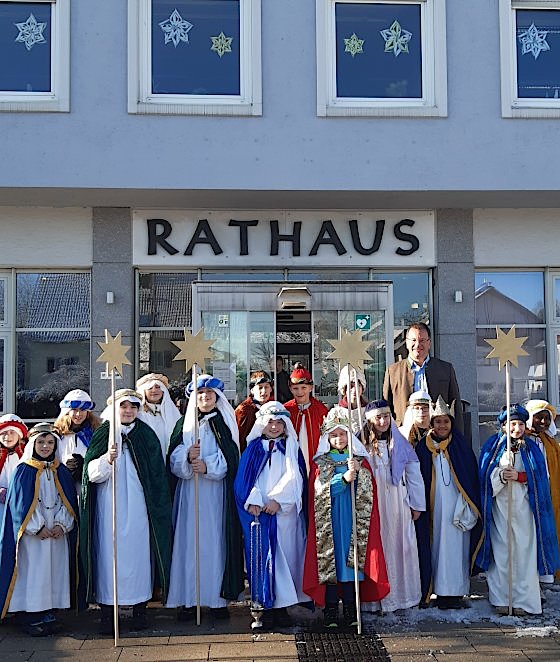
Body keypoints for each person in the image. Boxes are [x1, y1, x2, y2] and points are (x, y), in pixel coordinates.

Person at [80, 389, 172, 634]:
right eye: (124, 406)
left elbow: (155, 475)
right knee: (109, 557)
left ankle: (139, 609)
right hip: (109, 506)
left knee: (139, 555)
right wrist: (106, 460)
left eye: (133, 406)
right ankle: (109, 613)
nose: (128, 411)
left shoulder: (146, 435)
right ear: (115, 408)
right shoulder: (103, 434)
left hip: (140, 506)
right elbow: (91, 475)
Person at [166, 374, 244, 621]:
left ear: (216, 397)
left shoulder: (225, 423)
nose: (205, 397)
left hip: (215, 495)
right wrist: (187, 457)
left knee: (215, 542)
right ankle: (189, 600)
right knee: (189, 543)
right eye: (200, 394)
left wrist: (209, 466)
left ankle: (216, 600)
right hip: (190, 493)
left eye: (209, 394)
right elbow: (173, 457)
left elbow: (232, 457)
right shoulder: (184, 425)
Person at [303, 412, 389, 628]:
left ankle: (351, 608)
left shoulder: (359, 462)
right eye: (334, 435)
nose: (339, 439)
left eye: (343, 434)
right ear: (327, 439)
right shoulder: (321, 463)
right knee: (331, 563)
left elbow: (369, 492)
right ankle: (331, 609)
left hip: (352, 520)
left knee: (352, 564)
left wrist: (360, 475)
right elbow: (320, 491)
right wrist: (343, 479)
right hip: (330, 522)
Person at [477, 404, 560, 616]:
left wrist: (521, 477)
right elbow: (485, 476)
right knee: (502, 553)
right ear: (504, 426)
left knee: (524, 553)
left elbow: (542, 478)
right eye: (512, 424)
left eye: (520, 424)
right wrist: (501, 476)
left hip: (524, 509)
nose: (517, 428)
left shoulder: (531, 448)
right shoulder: (492, 447)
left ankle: (524, 600)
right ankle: (502, 598)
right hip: (501, 509)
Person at [0, 423, 81, 636]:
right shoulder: (24, 470)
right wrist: (36, 527)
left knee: (54, 571)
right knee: (33, 573)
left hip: (56, 533)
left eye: (50, 442)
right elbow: (19, 504)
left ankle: (49, 611)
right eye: (41, 442)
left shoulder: (60, 470)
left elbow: (68, 502)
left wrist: (62, 524)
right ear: (33, 444)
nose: (45, 446)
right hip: (33, 537)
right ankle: (29, 614)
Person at [234, 401, 307, 630]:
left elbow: (296, 478)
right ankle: (263, 606)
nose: (274, 427)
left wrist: (279, 501)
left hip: (283, 516)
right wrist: (253, 501)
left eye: (279, 422)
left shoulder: (292, 448)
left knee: (285, 559)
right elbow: (244, 481)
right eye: (270, 422)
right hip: (259, 516)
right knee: (261, 559)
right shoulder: (253, 448)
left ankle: (283, 607)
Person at [415, 396, 482, 609]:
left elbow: (469, 477)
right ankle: (434, 589)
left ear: (451, 423)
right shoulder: (422, 448)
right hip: (433, 510)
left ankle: (454, 592)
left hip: (456, 509)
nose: (442, 426)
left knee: (456, 549)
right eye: (438, 422)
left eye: (446, 421)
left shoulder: (460, 446)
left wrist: (466, 503)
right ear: (432, 424)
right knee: (433, 548)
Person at [360, 400, 425, 613]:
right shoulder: (362, 445)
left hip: (397, 503)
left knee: (400, 546)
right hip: (372, 503)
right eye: (378, 418)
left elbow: (414, 475)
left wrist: (416, 504)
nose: (382, 421)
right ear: (370, 420)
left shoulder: (399, 444)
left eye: (386, 417)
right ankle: (375, 599)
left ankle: (402, 596)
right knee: (377, 548)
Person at [383, 323, 463, 433]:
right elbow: (386, 407)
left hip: (437, 434)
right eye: (413, 340)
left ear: (429, 343)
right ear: (406, 343)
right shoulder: (393, 371)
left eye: (422, 340)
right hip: (404, 435)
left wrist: (458, 438)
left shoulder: (445, 369)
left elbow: (456, 406)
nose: (417, 344)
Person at [525, 399, 560, 583]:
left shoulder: (551, 444)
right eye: (539, 417)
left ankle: (546, 575)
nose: (543, 422)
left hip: (548, 495)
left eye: (547, 418)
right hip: (528, 496)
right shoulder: (523, 440)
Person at [284, 363, 328, 474]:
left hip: (316, 461)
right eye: (295, 388)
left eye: (303, 387)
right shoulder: (286, 410)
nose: (300, 392)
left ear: (311, 387)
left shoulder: (321, 410)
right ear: (290, 389)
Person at [54, 389, 101, 491]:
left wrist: (85, 465)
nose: (78, 414)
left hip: (88, 485)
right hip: (61, 485)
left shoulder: (95, 433)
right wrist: (64, 467)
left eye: (83, 410)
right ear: (67, 411)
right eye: (75, 410)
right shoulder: (58, 434)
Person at [136, 373, 181, 459]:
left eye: (158, 387)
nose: (154, 390)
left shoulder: (171, 412)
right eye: (150, 388)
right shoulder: (138, 414)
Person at [235, 371, 274, 452]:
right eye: (260, 387)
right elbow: (240, 440)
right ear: (252, 390)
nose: (263, 391)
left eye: (266, 387)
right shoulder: (244, 409)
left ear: (271, 389)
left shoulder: (272, 408)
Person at [0, 414, 28, 521]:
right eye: (4, 433)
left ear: (19, 435)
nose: (8, 437)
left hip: (20, 505)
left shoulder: (25, 455)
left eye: (12, 432)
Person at [330, 365, 368, 435]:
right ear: (345, 389)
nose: (354, 390)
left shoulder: (369, 411)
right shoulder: (336, 413)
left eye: (358, 385)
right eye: (351, 386)